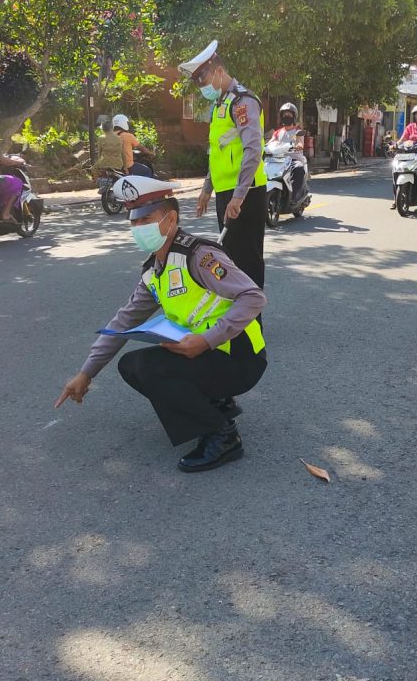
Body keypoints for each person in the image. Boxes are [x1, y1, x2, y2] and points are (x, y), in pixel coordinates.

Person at [55, 175, 268, 473]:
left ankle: (223, 436)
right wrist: (85, 374)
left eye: (146, 220)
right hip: (208, 355)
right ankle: (217, 403)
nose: (139, 228)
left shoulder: (199, 256)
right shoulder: (154, 271)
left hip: (240, 357)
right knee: (131, 365)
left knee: (149, 368)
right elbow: (122, 322)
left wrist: (207, 340)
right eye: (133, 222)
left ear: (170, 219)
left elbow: (253, 297)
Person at [180, 40, 267, 288]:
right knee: (231, 263)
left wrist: (238, 197)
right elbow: (217, 153)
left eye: (203, 80)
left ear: (218, 71)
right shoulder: (221, 104)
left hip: (246, 195)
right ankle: (236, 324)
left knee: (247, 264)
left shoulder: (243, 102)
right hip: (227, 194)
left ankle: (251, 326)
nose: (202, 88)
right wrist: (207, 189)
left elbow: (253, 150)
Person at [268, 102, 309, 203]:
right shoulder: (277, 132)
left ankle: (294, 196)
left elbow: (300, 141)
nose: (287, 117)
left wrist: (299, 145)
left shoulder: (297, 131)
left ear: (294, 117)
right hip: (279, 159)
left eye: (289, 115)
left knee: (298, 168)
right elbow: (270, 143)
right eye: (284, 115)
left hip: (294, 160)